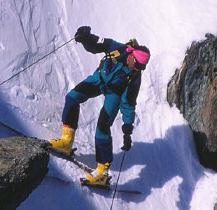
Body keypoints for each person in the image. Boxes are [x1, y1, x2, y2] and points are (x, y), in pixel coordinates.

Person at [50, 26, 151, 185]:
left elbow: (128, 103)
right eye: (136, 64)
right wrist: (85, 37)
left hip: (114, 94)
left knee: (102, 128)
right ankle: (66, 142)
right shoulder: (119, 49)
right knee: (72, 98)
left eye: (140, 68)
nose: (136, 69)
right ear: (132, 55)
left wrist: (127, 128)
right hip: (98, 80)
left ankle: (102, 174)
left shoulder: (134, 78)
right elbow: (97, 44)